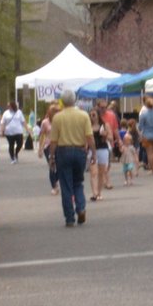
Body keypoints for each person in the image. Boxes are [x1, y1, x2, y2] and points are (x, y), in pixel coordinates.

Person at [49, 89, 93, 227]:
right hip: (80, 150)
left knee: (66, 185)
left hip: (63, 151)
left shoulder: (57, 117)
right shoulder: (83, 115)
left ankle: (69, 217)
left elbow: (54, 141)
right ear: (74, 100)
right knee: (78, 182)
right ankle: (80, 207)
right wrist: (94, 153)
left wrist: (51, 157)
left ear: (62, 101)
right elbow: (89, 136)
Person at [37, 104, 60, 195]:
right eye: (55, 112)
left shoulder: (60, 121)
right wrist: (40, 148)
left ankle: (57, 179)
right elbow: (42, 135)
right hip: (48, 146)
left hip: (60, 145)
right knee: (52, 165)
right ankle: (54, 186)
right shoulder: (45, 122)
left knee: (60, 165)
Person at [88, 108, 111, 201]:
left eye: (94, 115)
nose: (92, 117)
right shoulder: (88, 126)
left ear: (98, 115)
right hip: (92, 150)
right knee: (93, 172)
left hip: (102, 149)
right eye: (90, 115)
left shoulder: (105, 125)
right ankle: (94, 193)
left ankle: (99, 192)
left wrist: (105, 135)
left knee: (101, 172)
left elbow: (111, 138)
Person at [137, 96, 153, 174]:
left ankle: (152, 169)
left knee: (150, 153)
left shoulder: (143, 114)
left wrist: (140, 133)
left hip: (147, 135)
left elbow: (140, 127)